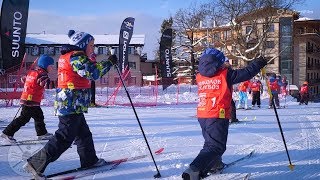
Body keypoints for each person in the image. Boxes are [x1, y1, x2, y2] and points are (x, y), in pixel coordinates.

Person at [23, 30, 118, 179]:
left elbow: (86, 69)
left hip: (73, 104)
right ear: (82, 45)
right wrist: (109, 62)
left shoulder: (71, 56)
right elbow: (92, 72)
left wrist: (94, 59)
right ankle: (35, 163)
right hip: (70, 104)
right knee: (64, 137)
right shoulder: (75, 56)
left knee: (83, 135)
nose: (93, 49)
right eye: (91, 45)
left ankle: (89, 160)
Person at [182, 48, 267, 180]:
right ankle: (194, 169)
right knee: (216, 146)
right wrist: (258, 63)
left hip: (203, 113)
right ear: (218, 62)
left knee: (210, 143)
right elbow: (246, 73)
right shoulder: (225, 74)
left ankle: (214, 164)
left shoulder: (200, 76)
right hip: (217, 114)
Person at [1, 55, 54, 143]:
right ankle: (7, 133)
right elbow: (45, 84)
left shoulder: (32, 72)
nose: (52, 68)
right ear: (45, 65)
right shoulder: (42, 74)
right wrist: (52, 82)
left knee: (39, 116)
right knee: (24, 118)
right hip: (31, 101)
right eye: (51, 66)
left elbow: (23, 79)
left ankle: (42, 134)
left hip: (28, 99)